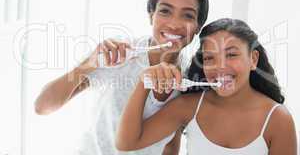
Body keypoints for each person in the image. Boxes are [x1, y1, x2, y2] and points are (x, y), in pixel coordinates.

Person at [34, 0, 209, 154]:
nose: (174, 23)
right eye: (165, 11)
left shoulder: (190, 76)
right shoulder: (120, 55)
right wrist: (88, 64)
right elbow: (42, 106)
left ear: (197, 27)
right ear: (151, 16)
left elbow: (171, 142)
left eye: (187, 15)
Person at [116, 18, 297, 155]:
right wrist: (144, 81)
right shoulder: (190, 106)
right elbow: (127, 142)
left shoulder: (277, 119)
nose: (220, 66)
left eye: (231, 54)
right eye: (209, 58)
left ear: (253, 59)